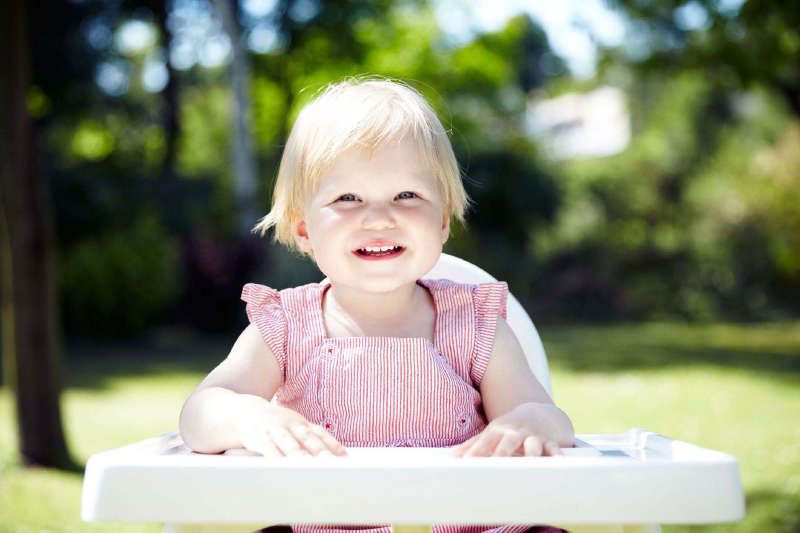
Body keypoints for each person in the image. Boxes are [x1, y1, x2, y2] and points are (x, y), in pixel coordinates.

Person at [179, 76, 576, 533]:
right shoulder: (285, 328)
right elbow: (200, 412)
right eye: (347, 198)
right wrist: (247, 416)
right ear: (304, 229)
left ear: (442, 218)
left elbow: (552, 419)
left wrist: (530, 422)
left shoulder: (476, 326)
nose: (379, 217)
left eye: (407, 195)